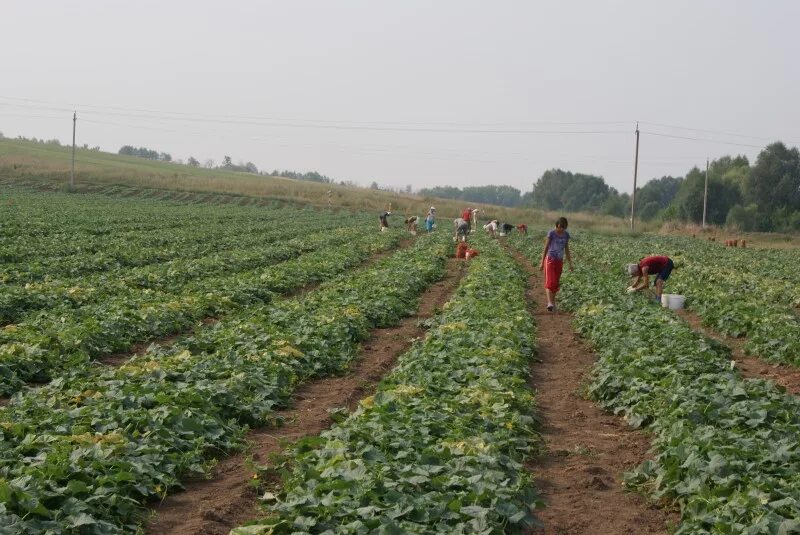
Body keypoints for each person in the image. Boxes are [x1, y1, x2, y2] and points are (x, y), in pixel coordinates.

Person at [539, 217, 573, 312]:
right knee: (550, 282)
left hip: (559, 261)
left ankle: (553, 303)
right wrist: (542, 262)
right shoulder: (551, 233)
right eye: (559, 227)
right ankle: (549, 302)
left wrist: (570, 263)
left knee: (556, 284)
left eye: (563, 227)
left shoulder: (566, 235)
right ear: (556, 225)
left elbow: (567, 249)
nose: (561, 229)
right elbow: (546, 248)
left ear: (565, 227)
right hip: (550, 259)